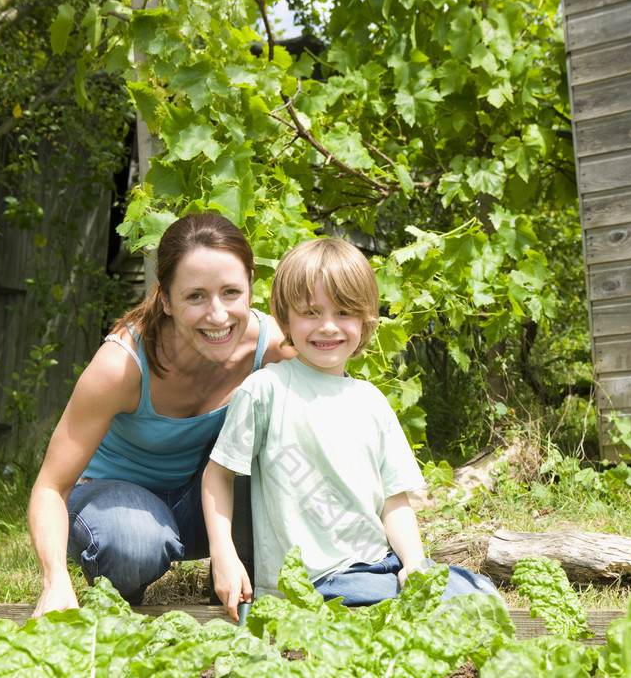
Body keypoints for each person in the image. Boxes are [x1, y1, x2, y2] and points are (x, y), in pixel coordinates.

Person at [201, 236, 500, 621]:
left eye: (344, 312)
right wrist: (223, 555)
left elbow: (394, 500)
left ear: (365, 320)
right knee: (423, 604)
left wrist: (413, 563)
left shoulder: (371, 400)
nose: (328, 327)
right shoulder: (266, 390)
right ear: (285, 316)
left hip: (377, 567)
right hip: (311, 583)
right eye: (311, 311)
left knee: (479, 592)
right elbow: (218, 475)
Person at [28, 212, 294, 618]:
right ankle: (125, 577)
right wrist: (55, 582)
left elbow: (330, 416)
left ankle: (241, 575)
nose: (218, 316)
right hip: (114, 499)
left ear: (251, 286)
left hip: (206, 495)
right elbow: (50, 487)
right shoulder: (121, 367)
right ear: (165, 299)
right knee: (135, 544)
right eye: (195, 296)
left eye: (230, 293)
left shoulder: (270, 346)